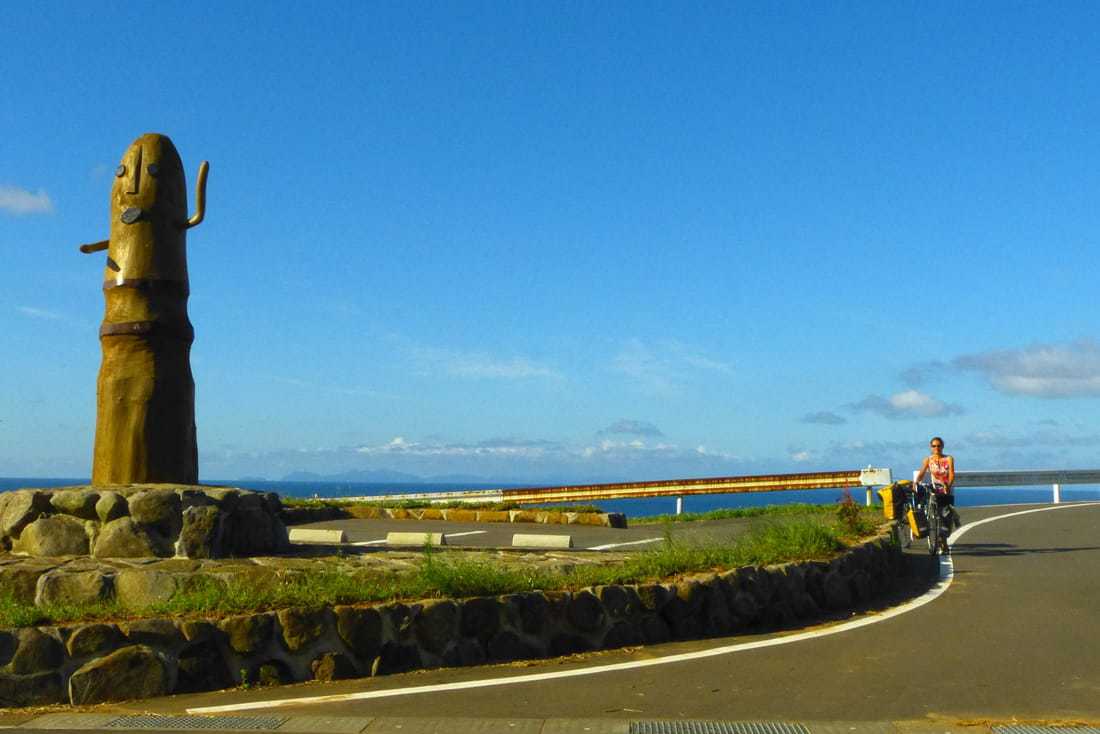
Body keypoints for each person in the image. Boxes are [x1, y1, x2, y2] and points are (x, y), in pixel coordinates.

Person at [914, 436, 961, 531]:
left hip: (947, 487)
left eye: (938, 446)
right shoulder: (928, 459)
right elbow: (922, 472)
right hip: (935, 488)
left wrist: (948, 485)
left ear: (942, 446)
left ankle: (946, 534)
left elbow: (951, 474)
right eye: (934, 446)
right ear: (931, 447)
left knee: (945, 515)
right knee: (926, 505)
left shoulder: (949, 459)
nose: (936, 448)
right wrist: (916, 482)